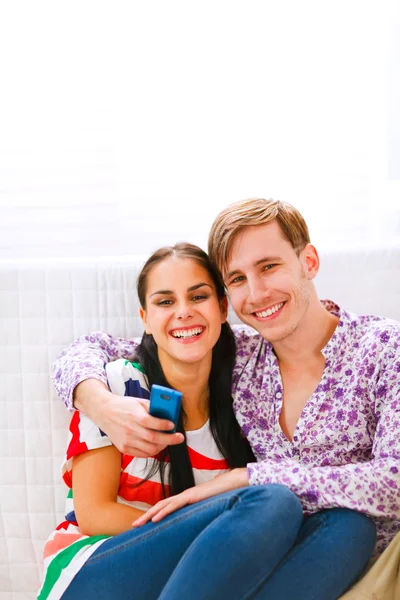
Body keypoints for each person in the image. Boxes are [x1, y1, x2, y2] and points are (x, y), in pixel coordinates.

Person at [50, 200, 394, 597]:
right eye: (237, 278)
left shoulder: (382, 348)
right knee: (273, 503)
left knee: (351, 528)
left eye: (269, 267)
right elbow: (87, 349)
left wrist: (248, 476)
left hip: (259, 555)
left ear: (309, 261)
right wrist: (100, 403)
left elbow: (394, 481)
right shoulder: (239, 355)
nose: (258, 293)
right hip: (125, 561)